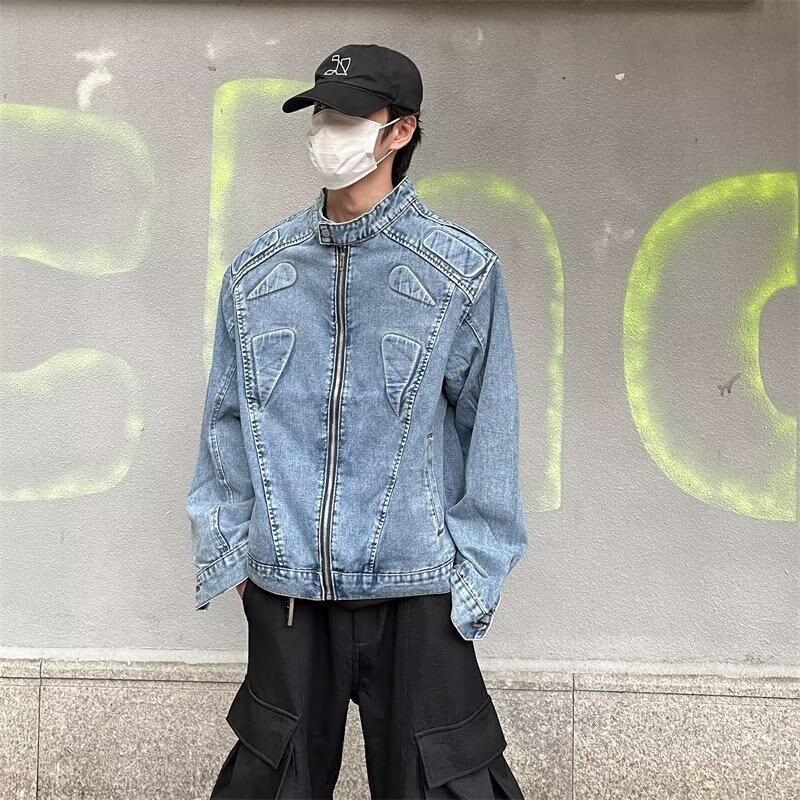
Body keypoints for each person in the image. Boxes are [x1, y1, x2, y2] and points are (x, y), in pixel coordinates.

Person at [186, 43, 528, 799]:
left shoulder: (459, 272)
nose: (326, 131)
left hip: (417, 586)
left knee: (449, 781)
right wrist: (236, 558)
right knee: (271, 782)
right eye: (321, 114)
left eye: (347, 117)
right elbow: (225, 425)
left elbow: (491, 434)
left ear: (399, 131)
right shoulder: (258, 274)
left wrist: (473, 580)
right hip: (287, 593)